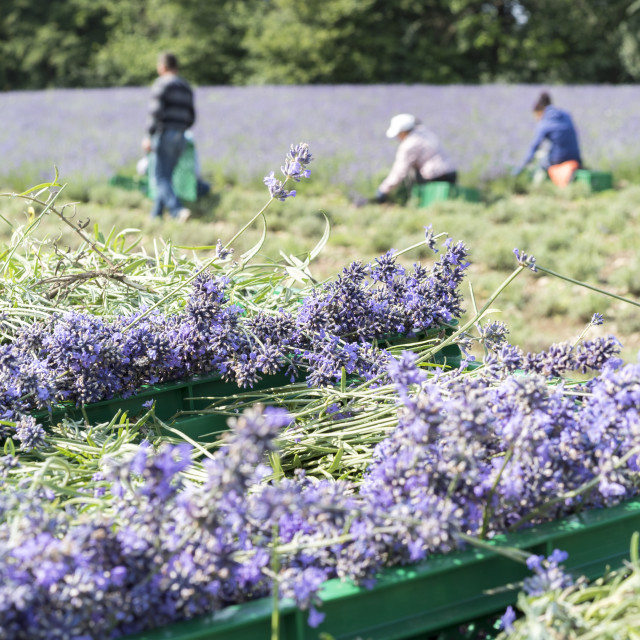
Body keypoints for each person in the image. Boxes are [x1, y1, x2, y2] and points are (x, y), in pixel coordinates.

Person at [142, 52, 196, 221]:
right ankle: (155, 215)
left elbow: (155, 113)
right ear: (177, 67)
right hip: (181, 135)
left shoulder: (161, 84)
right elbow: (192, 116)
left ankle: (177, 210)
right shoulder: (186, 86)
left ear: (162, 67)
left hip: (164, 134)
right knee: (166, 176)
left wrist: (148, 136)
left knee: (158, 176)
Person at [375, 113, 457, 203]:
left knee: (411, 173)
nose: (398, 137)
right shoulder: (425, 133)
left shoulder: (409, 145)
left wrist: (383, 190)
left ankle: (414, 202)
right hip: (451, 173)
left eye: (399, 134)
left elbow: (399, 171)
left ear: (404, 132)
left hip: (434, 178)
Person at [512, 92, 582, 185]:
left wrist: (522, 166)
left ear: (540, 111)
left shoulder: (545, 122)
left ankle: (538, 187)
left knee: (542, 161)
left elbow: (534, 146)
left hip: (559, 158)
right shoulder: (566, 115)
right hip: (575, 156)